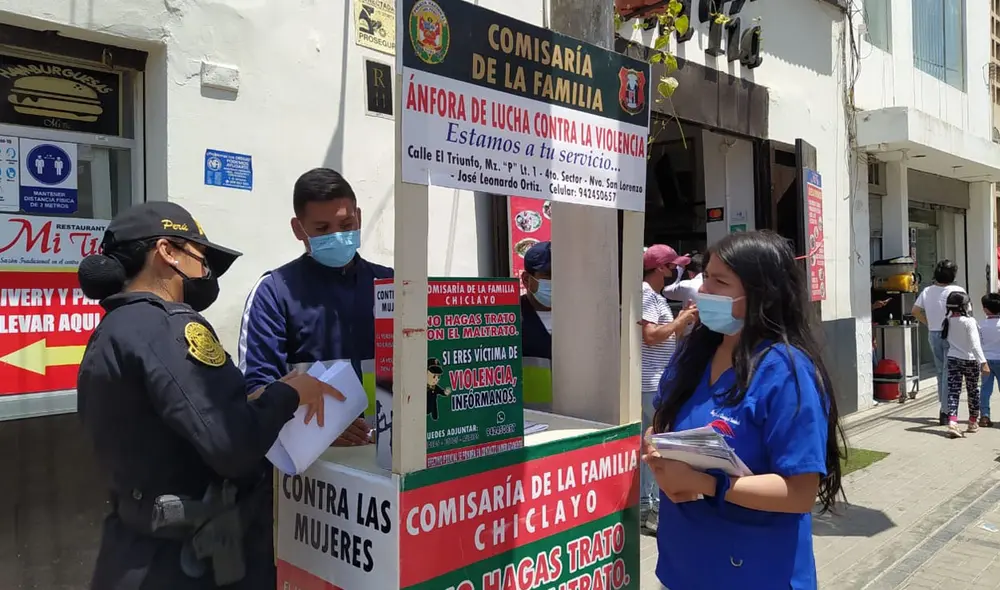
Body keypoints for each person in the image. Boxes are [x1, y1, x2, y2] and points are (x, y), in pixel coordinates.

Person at [75, 201, 339, 590]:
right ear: (167, 252)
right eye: (201, 258)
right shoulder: (171, 327)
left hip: (134, 549)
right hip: (188, 561)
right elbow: (234, 446)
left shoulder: (114, 329)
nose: (206, 273)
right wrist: (289, 393)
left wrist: (248, 404)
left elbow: (165, 424)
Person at [643, 230, 844, 590]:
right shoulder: (693, 354)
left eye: (719, 282)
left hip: (755, 571)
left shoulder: (787, 373)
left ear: (762, 295)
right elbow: (660, 422)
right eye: (706, 279)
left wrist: (702, 482)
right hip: (683, 566)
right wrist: (656, 453)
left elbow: (799, 493)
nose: (703, 291)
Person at [238, 167, 390, 440]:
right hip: (308, 462)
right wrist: (324, 427)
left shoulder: (389, 284)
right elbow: (257, 391)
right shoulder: (274, 293)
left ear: (359, 218)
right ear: (299, 229)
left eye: (346, 225)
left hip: (386, 451)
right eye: (322, 229)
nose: (337, 235)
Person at [638, 244, 698, 534]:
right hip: (649, 383)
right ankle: (649, 511)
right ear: (661, 268)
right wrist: (679, 321)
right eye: (674, 265)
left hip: (657, 381)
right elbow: (650, 336)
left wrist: (683, 320)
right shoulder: (646, 295)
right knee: (655, 447)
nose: (678, 269)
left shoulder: (656, 297)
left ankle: (646, 509)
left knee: (652, 445)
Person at [912, 260, 966, 425]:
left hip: (934, 333)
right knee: (949, 372)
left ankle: (944, 408)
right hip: (953, 334)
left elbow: (915, 311)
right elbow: (966, 314)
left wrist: (929, 322)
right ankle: (946, 410)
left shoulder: (927, 291)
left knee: (941, 372)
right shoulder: (957, 290)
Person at [942, 291, 989, 438]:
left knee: (953, 391)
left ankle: (952, 422)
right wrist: (983, 362)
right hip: (970, 360)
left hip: (953, 359)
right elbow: (975, 345)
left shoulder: (948, 320)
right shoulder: (969, 321)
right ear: (964, 305)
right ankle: (972, 421)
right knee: (973, 390)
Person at [520, 240, 553, 411]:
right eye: (548, 276)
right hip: (530, 420)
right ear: (527, 280)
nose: (556, 282)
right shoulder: (511, 320)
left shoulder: (579, 316)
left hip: (575, 421)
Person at [979, 293, 1000, 427]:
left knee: (985, 390)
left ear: (986, 309)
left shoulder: (980, 324)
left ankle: (985, 416)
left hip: (985, 361)